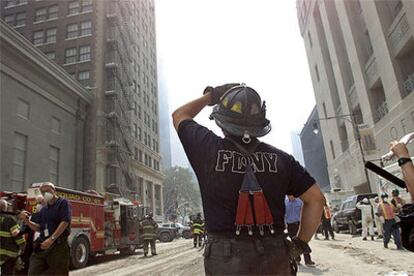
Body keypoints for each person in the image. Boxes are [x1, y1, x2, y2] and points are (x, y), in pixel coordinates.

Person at [172, 84, 325, 275]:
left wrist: (211, 96)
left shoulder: (208, 149)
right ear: (260, 121)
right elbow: (316, 199)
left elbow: (179, 115)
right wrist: (299, 244)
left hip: (225, 260)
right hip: (275, 255)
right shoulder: (282, 160)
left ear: (221, 121)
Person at [18, 182, 71, 275]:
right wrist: (27, 221)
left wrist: (51, 239)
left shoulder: (63, 203)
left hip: (58, 247)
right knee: (33, 272)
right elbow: (40, 228)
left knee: (59, 273)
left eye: (48, 190)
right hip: (42, 246)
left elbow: (65, 222)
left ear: (54, 190)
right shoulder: (44, 209)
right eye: (42, 191)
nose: (45, 193)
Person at [285, 196, 315, 266]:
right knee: (293, 242)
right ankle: (297, 259)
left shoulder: (300, 201)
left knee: (303, 241)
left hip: (300, 224)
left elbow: (305, 212)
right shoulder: (285, 203)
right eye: (288, 196)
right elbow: (284, 214)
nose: (290, 197)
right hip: (290, 225)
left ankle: (308, 260)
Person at [0, 199, 26, 275]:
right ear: (5, 208)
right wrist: (23, 247)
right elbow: (18, 236)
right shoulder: (10, 219)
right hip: (9, 255)